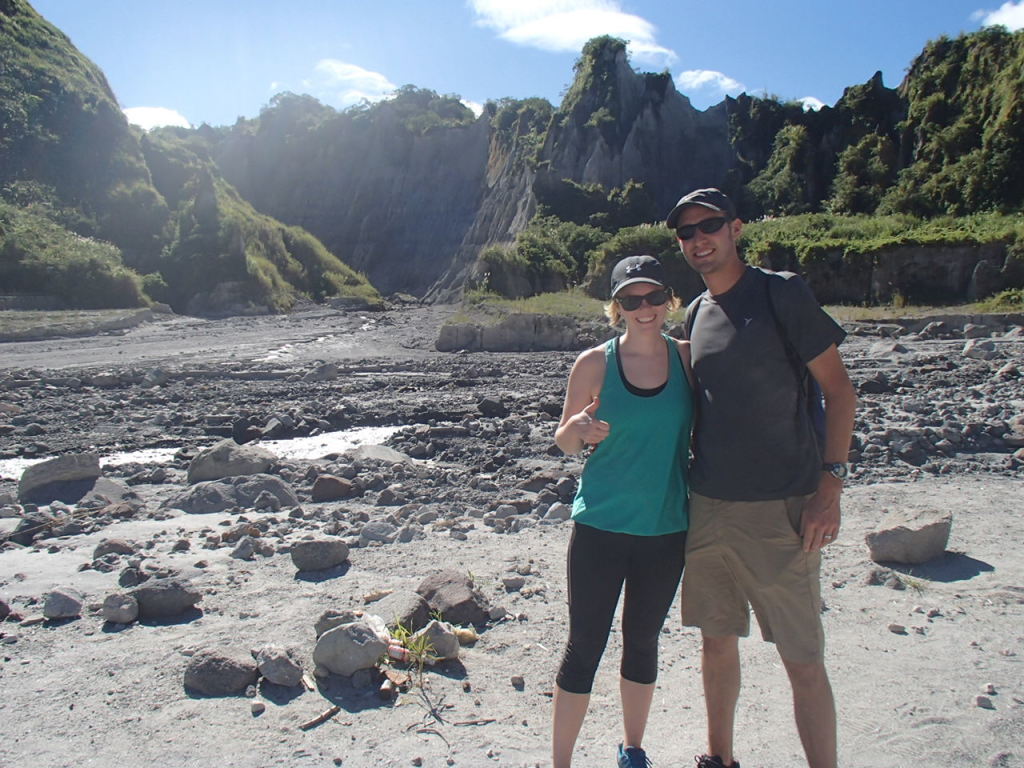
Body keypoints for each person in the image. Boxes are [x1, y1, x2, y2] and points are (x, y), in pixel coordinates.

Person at [665, 188, 857, 768]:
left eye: (710, 225)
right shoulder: (696, 315)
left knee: (801, 657)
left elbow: (840, 392)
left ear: (736, 228)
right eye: (687, 232)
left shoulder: (781, 293)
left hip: (783, 508)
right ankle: (718, 759)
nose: (699, 239)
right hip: (710, 507)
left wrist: (831, 487)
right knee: (716, 641)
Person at [552, 255, 694, 768]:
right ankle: (561, 763)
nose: (645, 308)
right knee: (585, 645)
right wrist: (580, 432)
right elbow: (564, 438)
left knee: (642, 641)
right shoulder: (595, 363)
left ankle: (633, 750)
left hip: (666, 527)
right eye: (632, 300)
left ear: (669, 300)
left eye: (654, 297)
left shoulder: (687, 359)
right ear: (617, 307)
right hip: (599, 528)